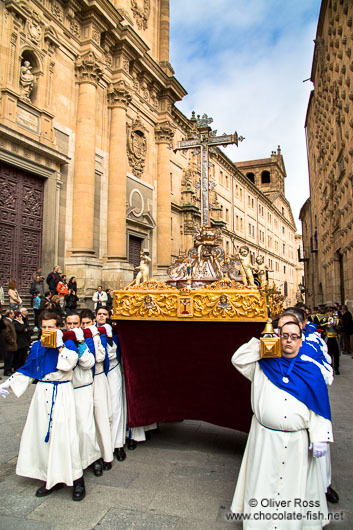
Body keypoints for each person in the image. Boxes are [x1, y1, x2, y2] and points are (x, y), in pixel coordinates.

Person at [230, 320, 333, 528]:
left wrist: (321, 436)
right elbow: (238, 359)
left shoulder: (311, 371)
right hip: (266, 440)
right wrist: (263, 343)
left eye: (294, 337)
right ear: (279, 336)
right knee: (263, 484)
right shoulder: (263, 365)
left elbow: (319, 407)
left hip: (298, 444)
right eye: (284, 335)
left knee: (295, 489)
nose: (289, 341)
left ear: (300, 340)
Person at [0, 312, 85, 501]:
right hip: (42, 393)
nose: (47, 330)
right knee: (42, 437)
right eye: (44, 327)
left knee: (65, 438)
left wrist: (59, 345)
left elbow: (70, 363)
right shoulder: (37, 346)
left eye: (51, 327)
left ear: (59, 327)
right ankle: (50, 478)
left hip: (62, 393)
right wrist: (9, 383)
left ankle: (77, 480)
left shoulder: (68, 343)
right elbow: (30, 369)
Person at [64, 313, 102, 476]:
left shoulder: (84, 340)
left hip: (83, 388)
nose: (72, 327)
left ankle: (94, 458)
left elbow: (89, 363)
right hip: (66, 390)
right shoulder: (61, 341)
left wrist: (79, 344)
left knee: (86, 428)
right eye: (69, 324)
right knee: (70, 430)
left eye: (75, 324)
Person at [80, 308, 114, 469]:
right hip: (83, 384)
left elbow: (101, 357)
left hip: (98, 379)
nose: (85, 326)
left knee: (102, 417)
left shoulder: (98, 336)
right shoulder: (76, 338)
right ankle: (88, 457)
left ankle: (106, 455)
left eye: (88, 323)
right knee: (85, 422)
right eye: (83, 323)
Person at [96, 306, 126, 462]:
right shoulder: (90, 333)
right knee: (101, 411)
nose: (101, 317)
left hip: (113, 370)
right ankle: (102, 448)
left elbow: (115, 352)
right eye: (99, 314)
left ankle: (118, 444)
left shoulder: (114, 333)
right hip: (99, 375)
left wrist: (108, 338)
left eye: (104, 314)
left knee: (115, 408)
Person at [321, 307, 341, 375]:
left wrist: (335, 326)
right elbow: (321, 326)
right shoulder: (324, 319)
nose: (329, 313)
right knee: (328, 354)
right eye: (328, 312)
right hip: (328, 338)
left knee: (336, 354)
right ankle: (330, 367)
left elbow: (340, 328)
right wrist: (327, 323)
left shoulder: (337, 320)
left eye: (331, 312)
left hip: (335, 338)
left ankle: (337, 368)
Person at [1, 310, 17, 376]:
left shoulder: (9, 321)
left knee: (10, 358)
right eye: (13, 313)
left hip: (10, 343)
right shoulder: (6, 322)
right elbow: (6, 333)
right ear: (9, 314)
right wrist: (12, 341)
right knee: (8, 358)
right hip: (8, 344)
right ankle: (7, 370)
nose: (14, 315)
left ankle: (9, 369)